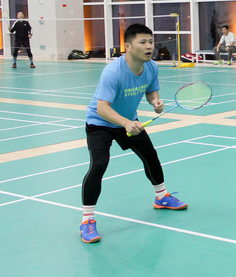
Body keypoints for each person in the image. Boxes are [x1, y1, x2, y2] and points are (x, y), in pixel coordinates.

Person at [79, 24, 187, 243]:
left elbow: (151, 90)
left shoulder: (151, 67)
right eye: (143, 42)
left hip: (128, 120)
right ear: (128, 46)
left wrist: (155, 101)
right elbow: (102, 108)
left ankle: (161, 197)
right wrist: (126, 123)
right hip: (100, 123)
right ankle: (87, 220)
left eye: (151, 42)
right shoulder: (113, 72)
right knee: (99, 164)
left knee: (150, 155)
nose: (149, 47)